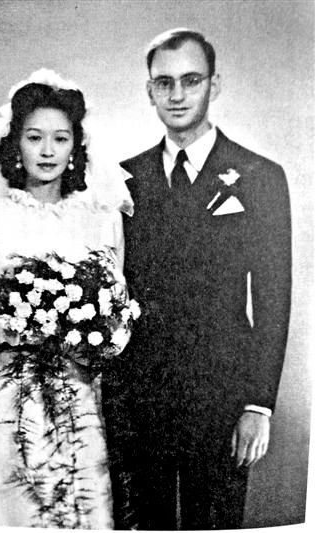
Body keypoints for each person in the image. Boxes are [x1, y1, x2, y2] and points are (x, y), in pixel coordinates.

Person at [103, 28, 291, 530]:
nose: (177, 95)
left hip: (223, 396)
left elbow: (273, 298)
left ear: (214, 84)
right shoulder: (124, 179)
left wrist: (259, 405)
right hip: (141, 397)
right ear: (149, 91)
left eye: (191, 80)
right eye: (164, 83)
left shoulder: (259, 176)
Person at [0, 69, 133, 528]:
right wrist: (10, 323)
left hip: (72, 382)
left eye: (60, 139)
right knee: (1, 497)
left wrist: (93, 335)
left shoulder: (100, 218)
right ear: (15, 143)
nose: (47, 151)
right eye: (34, 137)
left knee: (72, 495)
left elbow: (116, 300)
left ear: (75, 146)